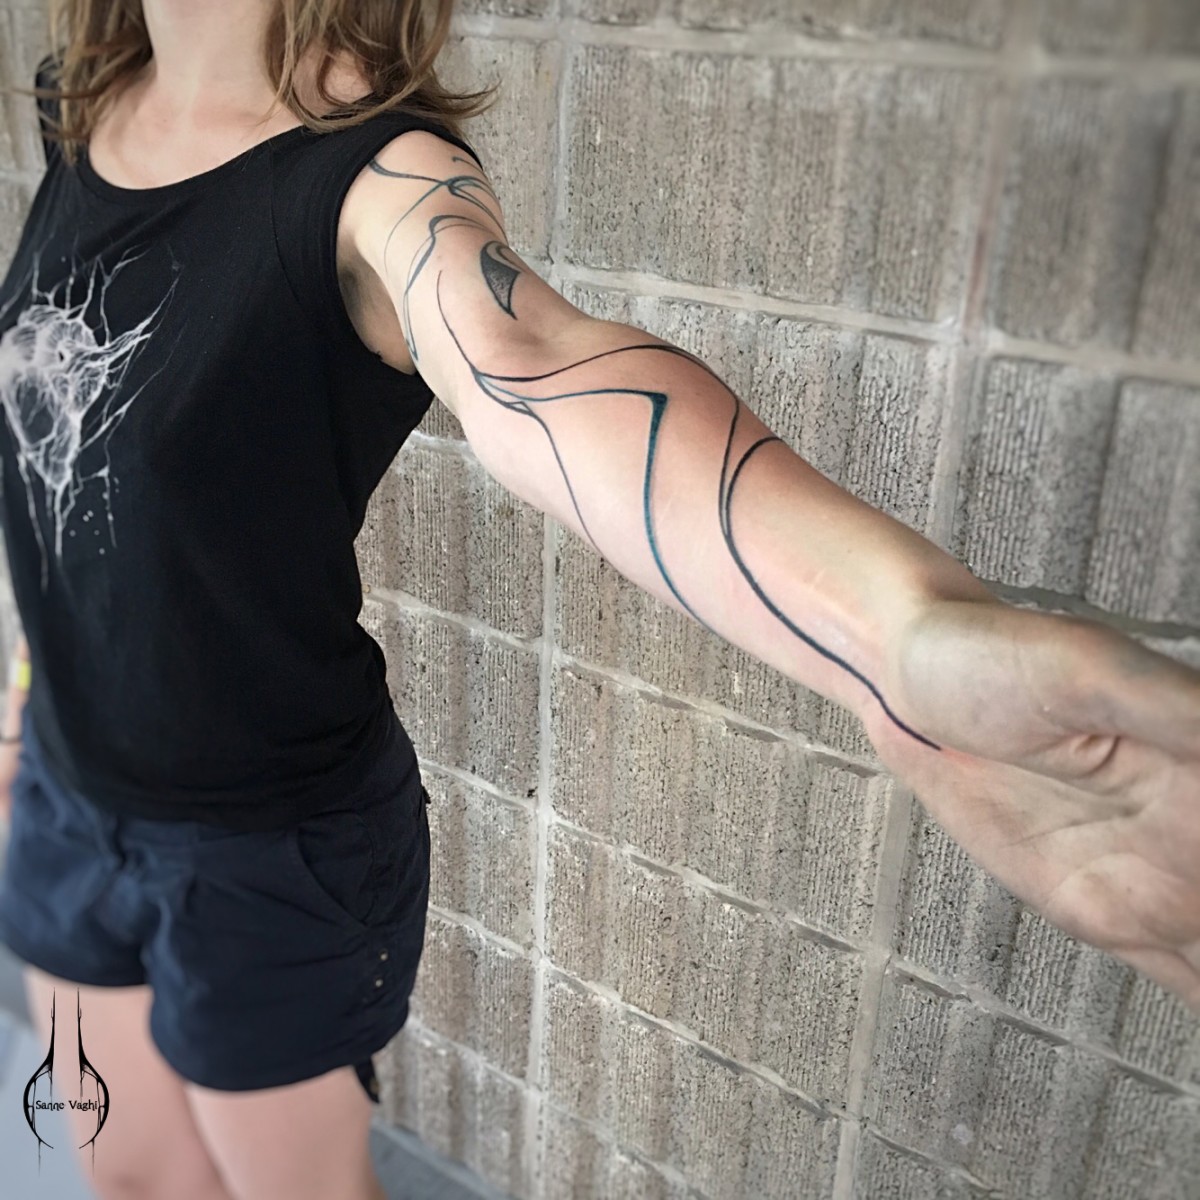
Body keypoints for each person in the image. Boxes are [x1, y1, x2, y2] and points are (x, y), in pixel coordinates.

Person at [0, 1, 1195, 1198]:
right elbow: (71, 464)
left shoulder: (377, 184)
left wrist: (898, 638)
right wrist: (32, 679)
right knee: (132, 1173)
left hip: (263, 849)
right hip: (65, 789)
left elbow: (537, 367)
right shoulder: (87, 100)